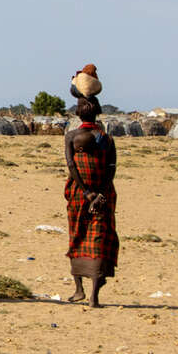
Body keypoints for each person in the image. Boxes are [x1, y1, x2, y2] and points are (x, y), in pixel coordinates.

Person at [64, 94, 118, 306]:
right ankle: (94, 295)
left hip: (78, 194)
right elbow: (111, 170)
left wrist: (86, 192)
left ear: (78, 113)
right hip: (103, 196)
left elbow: (71, 166)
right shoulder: (107, 139)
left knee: (77, 236)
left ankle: (79, 289)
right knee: (98, 239)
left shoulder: (71, 136)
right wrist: (100, 194)